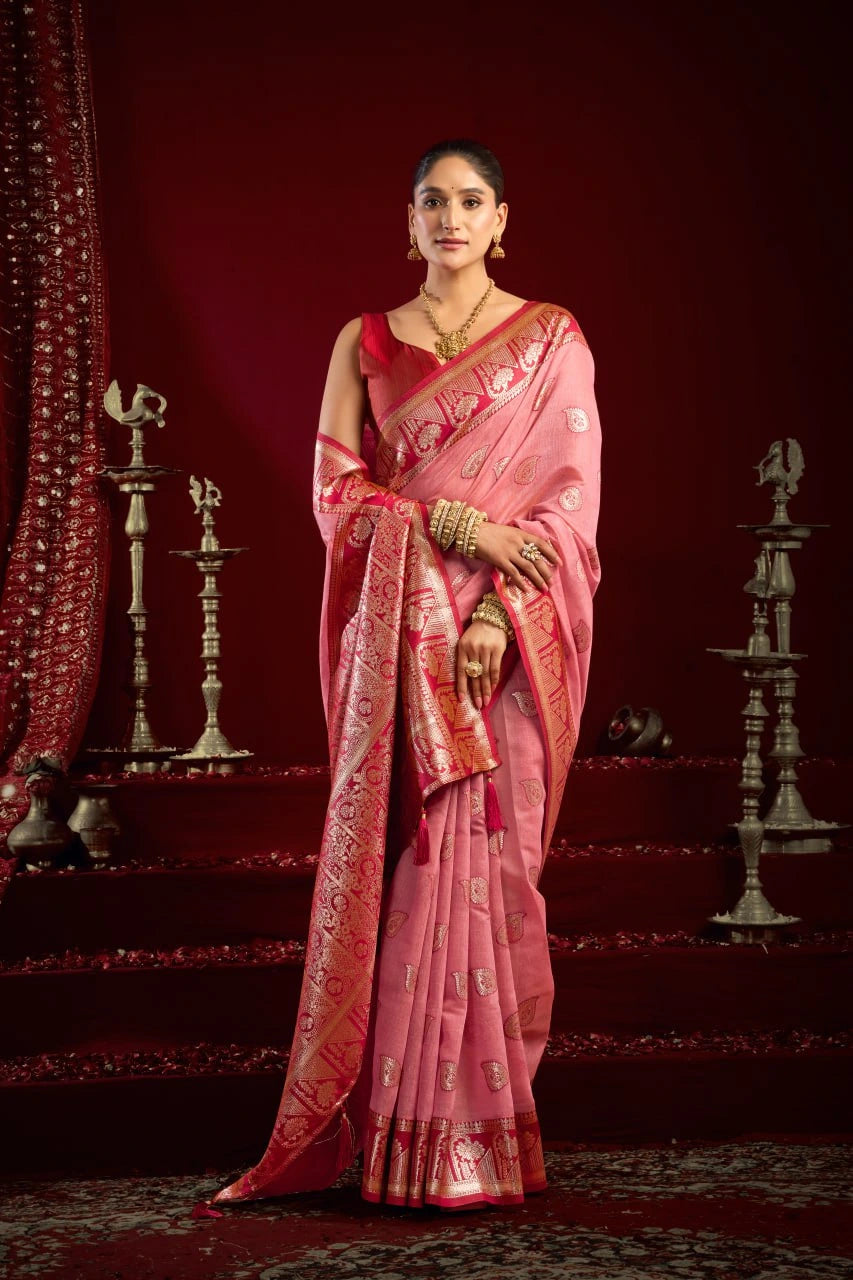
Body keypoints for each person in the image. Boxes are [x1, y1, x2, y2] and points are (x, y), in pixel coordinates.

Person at [213, 138, 602, 1211]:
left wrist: (505, 621)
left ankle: (483, 1134)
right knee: (407, 874)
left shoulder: (551, 340)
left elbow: (569, 509)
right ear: (410, 220)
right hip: (400, 647)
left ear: (501, 219)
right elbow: (337, 495)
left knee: (500, 875)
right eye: (433, 200)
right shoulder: (366, 340)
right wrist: (443, 516)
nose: (450, 217)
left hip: (507, 651)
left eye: (470, 200)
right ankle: (398, 1139)